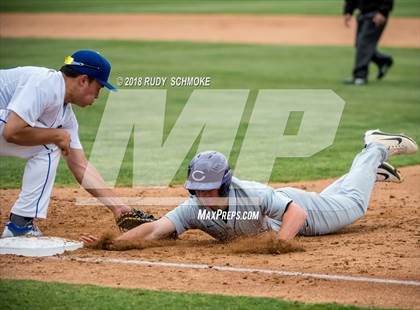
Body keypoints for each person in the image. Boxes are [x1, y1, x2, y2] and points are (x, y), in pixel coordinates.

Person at [81, 129, 417, 245]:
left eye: (210, 189)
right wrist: (113, 244)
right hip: (287, 213)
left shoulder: (251, 194)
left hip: (302, 214)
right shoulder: (194, 207)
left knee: (353, 205)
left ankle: (374, 147)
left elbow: (296, 214)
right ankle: (369, 170)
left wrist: (280, 245)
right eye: (197, 191)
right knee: (340, 196)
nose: (203, 197)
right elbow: (155, 230)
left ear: (224, 184)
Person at [0, 50, 134, 238]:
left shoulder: (65, 115)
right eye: (99, 87)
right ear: (83, 80)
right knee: (51, 142)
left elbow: (80, 165)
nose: (97, 95)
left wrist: (119, 207)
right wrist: (56, 135)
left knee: (53, 139)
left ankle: (21, 223)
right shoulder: (44, 84)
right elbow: (11, 132)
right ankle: (20, 226)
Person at [343, 0, 394, 85]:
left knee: (364, 45)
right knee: (359, 44)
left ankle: (360, 76)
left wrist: (383, 12)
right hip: (362, 13)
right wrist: (348, 11)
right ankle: (383, 61)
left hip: (376, 14)